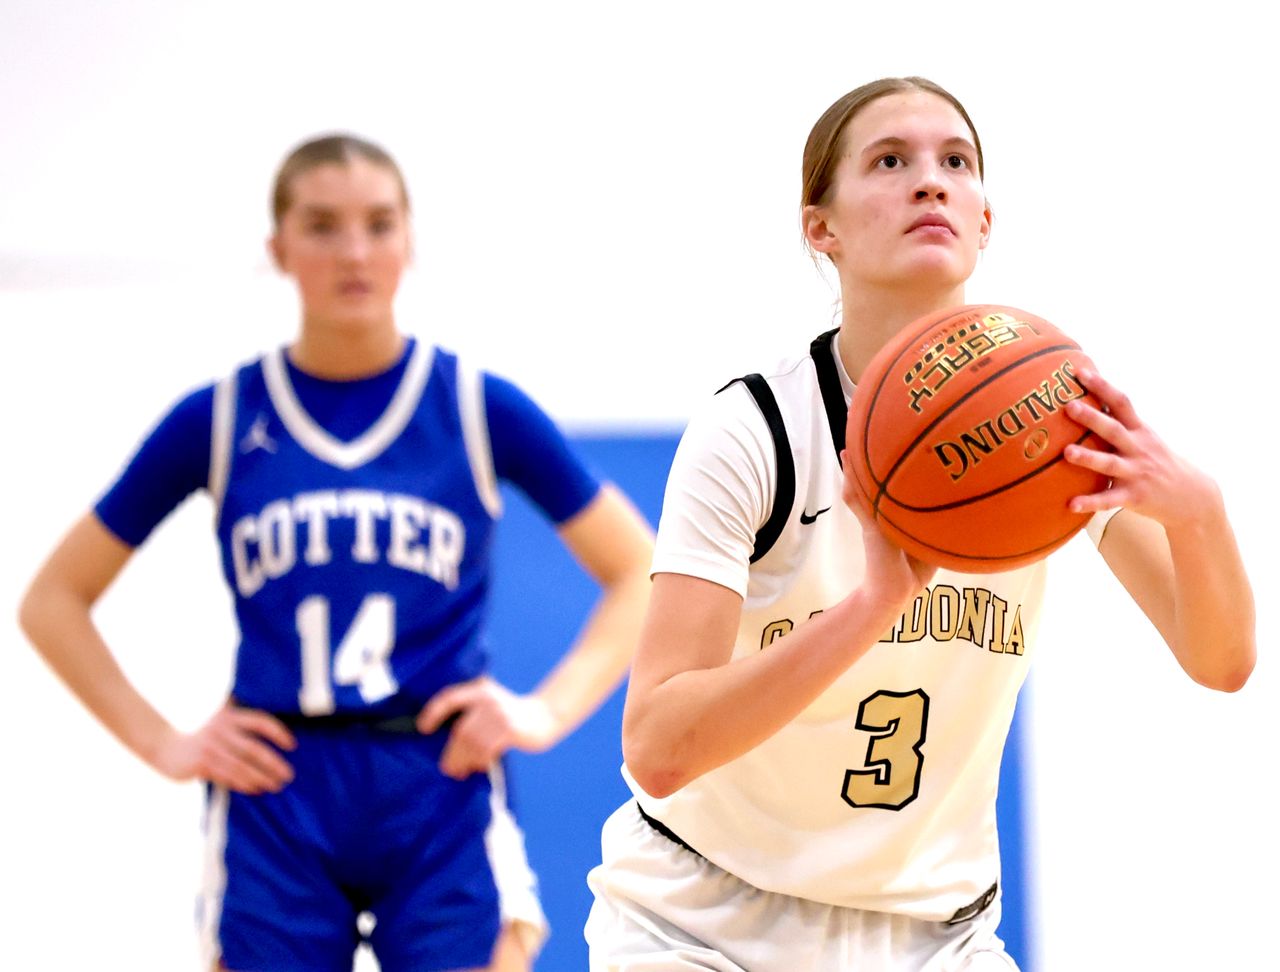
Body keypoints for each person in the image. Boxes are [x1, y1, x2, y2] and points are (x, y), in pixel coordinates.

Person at [584, 77, 1256, 971]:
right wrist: (870, 608)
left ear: (985, 220)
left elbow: (1220, 663)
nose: (930, 181)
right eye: (890, 161)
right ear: (820, 227)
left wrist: (1200, 512)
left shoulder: (1052, 415)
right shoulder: (755, 428)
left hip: (936, 933)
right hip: (705, 917)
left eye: (956, 162)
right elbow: (658, 748)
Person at [18, 133, 655, 972]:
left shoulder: (472, 404)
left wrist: (544, 711)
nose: (354, 250)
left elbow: (640, 572)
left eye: (378, 224)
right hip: (277, 786)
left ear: (408, 242)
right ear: (279, 249)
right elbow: (52, 600)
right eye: (322, 225)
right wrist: (164, 742)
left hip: (435, 778)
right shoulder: (218, 419)